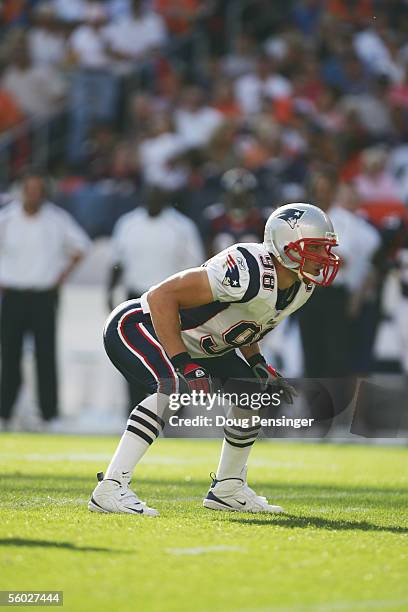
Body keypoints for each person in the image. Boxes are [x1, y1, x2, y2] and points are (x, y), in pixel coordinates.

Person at [89, 202, 339, 516]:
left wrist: (258, 363)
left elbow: (249, 322)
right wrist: (182, 363)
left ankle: (228, 488)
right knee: (172, 388)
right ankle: (110, 488)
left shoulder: (301, 286)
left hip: (200, 346)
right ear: (285, 244)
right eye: (314, 248)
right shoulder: (247, 268)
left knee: (251, 391)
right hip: (142, 325)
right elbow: (161, 297)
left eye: (326, 249)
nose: (324, 258)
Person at [0, 168, 90, 430]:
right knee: (9, 354)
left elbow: (81, 246)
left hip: (43, 295)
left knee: (45, 354)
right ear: (22, 192)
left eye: (38, 190)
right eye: (29, 190)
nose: (33, 195)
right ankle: (5, 412)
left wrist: (61, 276)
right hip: (13, 294)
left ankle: (49, 414)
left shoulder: (56, 219)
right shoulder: (6, 219)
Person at [107, 185, 205, 410]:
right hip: (135, 298)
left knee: (173, 354)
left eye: (157, 195)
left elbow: (196, 266)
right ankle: (134, 407)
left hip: (170, 300)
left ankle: (175, 412)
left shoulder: (181, 226)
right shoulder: (128, 223)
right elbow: (117, 262)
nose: (152, 200)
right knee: (133, 354)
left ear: (166, 198)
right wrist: (109, 291)